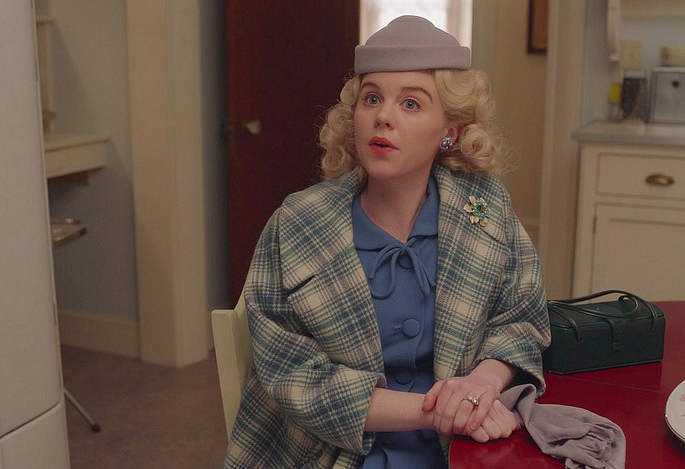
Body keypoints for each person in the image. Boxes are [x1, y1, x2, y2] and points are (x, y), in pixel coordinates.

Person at [224, 15, 551, 469]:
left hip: (467, 449)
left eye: (411, 103)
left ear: (450, 131)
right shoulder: (297, 224)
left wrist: (482, 384)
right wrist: (446, 410)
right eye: (372, 98)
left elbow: (521, 318)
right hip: (331, 454)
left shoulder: (485, 208)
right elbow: (294, 377)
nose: (383, 116)